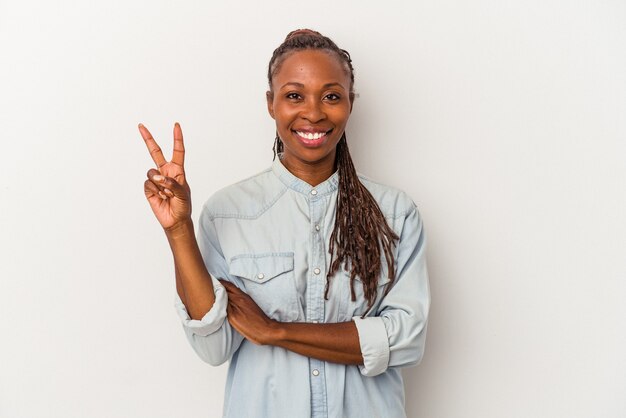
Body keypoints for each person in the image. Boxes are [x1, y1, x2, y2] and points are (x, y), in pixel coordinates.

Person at [138, 29, 430, 418]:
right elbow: (213, 347)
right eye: (294, 95)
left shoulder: (394, 214)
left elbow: (406, 338)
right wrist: (178, 230)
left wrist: (277, 331)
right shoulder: (227, 213)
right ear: (271, 104)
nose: (313, 112)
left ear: (350, 104)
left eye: (331, 96)